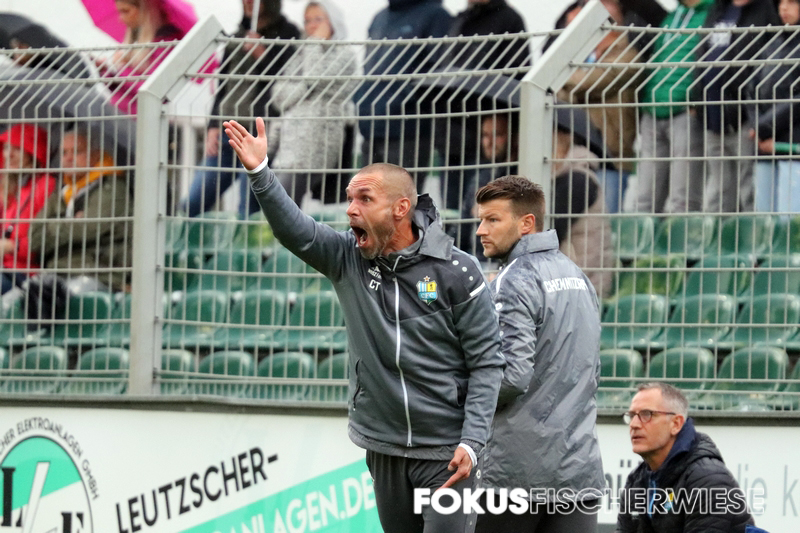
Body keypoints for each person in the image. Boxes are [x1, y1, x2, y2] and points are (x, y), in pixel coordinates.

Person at [224, 117, 504, 533]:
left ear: (400, 208)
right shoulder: (347, 257)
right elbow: (296, 231)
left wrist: (472, 441)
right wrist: (261, 173)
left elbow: (487, 362)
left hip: (445, 452)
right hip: (384, 447)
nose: (351, 209)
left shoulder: (457, 270)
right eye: (349, 198)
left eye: (364, 199)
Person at [474, 176, 605, 532]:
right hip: (578, 471)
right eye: (481, 220)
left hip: (516, 476)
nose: (481, 230)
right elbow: (591, 371)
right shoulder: (578, 277)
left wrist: (456, 393)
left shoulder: (514, 279)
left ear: (526, 223)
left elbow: (511, 377)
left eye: (492, 219)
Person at [182, 0, 300, 218]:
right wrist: (213, 124)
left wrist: (263, 55)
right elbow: (224, 84)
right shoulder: (237, 35)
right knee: (193, 202)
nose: (248, 2)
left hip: (260, 134)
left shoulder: (288, 34)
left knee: (248, 210)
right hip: (227, 131)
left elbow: (291, 83)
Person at [617, 382, 756, 532]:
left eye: (647, 414)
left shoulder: (707, 479)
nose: (634, 424)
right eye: (632, 416)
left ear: (676, 424)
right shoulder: (636, 480)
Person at [619, 0, 713, 214]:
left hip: (685, 111)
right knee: (645, 198)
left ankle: (682, 237)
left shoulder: (712, 15)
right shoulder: (671, 17)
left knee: (683, 198)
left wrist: (696, 101)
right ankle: (645, 236)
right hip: (653, 109)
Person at [354, 0, 452, 192]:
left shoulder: (436, 15)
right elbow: (370, 66)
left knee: (400, 202)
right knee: (369, 202)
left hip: (408, 129)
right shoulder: (380, 18)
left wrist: (407, 99)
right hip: (371, 124)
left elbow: (439, 71)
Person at [268, 0, 358, 205]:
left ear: (333, 21)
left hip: (318, 142)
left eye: (318, 19)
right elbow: (279, 96)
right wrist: (307, 87)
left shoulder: (344, 55)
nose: (312, 26)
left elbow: (315, 75)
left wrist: (314, 44)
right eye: (307, 21)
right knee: (279, 201)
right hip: (289, 142)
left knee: (283, 201)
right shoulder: (301, 54)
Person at [694, 0, 780, 213]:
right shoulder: (718, 9)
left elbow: (771, 60)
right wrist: (698, 100)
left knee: (748, 187)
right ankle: (721, 232)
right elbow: (701, 54)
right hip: (712, 114)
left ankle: (751, 232)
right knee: (719, 188)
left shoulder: (765, 10)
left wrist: (758, 114)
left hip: (745, 115)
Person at [29, 127, 133, 292]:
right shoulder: (63, 191)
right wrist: (70, 222)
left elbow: (88, 229)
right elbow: (33, 239)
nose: (68, 158)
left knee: (63, 298)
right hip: (58, 272)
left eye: (76, 151)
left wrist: (52, 225)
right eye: (64, 153)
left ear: (95, 154)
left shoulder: (112, 187)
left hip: (99, 275)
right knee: (15, 300)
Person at [558, 3, 640, 213]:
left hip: (610, 155)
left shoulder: (628, 55)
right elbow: (562, 92)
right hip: (578, 151)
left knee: (605, 220)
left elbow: (589, 82)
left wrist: (564, 76)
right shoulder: (584, 55)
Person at [553, 123, 614, 298]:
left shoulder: (578, 181)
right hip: (569, 280)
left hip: (583, 285)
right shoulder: (567, 178)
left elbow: (547, 232)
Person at [750, 0, 800, 214]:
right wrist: (758, 128)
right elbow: (750, 89)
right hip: (763, 144)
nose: (783, 8)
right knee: (764, 216)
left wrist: (764, 127)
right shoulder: (772, 45)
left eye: (791, 2)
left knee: (789, 217)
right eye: (781, 3)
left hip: (792, 144)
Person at [100, 0, 186, 115]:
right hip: (122, 113)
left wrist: (121, 67)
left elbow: (153, 88)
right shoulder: (138, 39)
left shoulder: (165, 42)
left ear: (144, 10)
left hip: (142, 118)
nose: (120, 19)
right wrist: (107, 72)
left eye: (125, 11)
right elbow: (126, 88)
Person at [0, 124, 57, 293]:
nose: (9, 154)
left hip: (26, 274)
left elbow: (47, 237)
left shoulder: (46, 185)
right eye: (6, 148)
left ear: (32, 152)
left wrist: (12, 246)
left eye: (17, 149)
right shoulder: (9, 186)